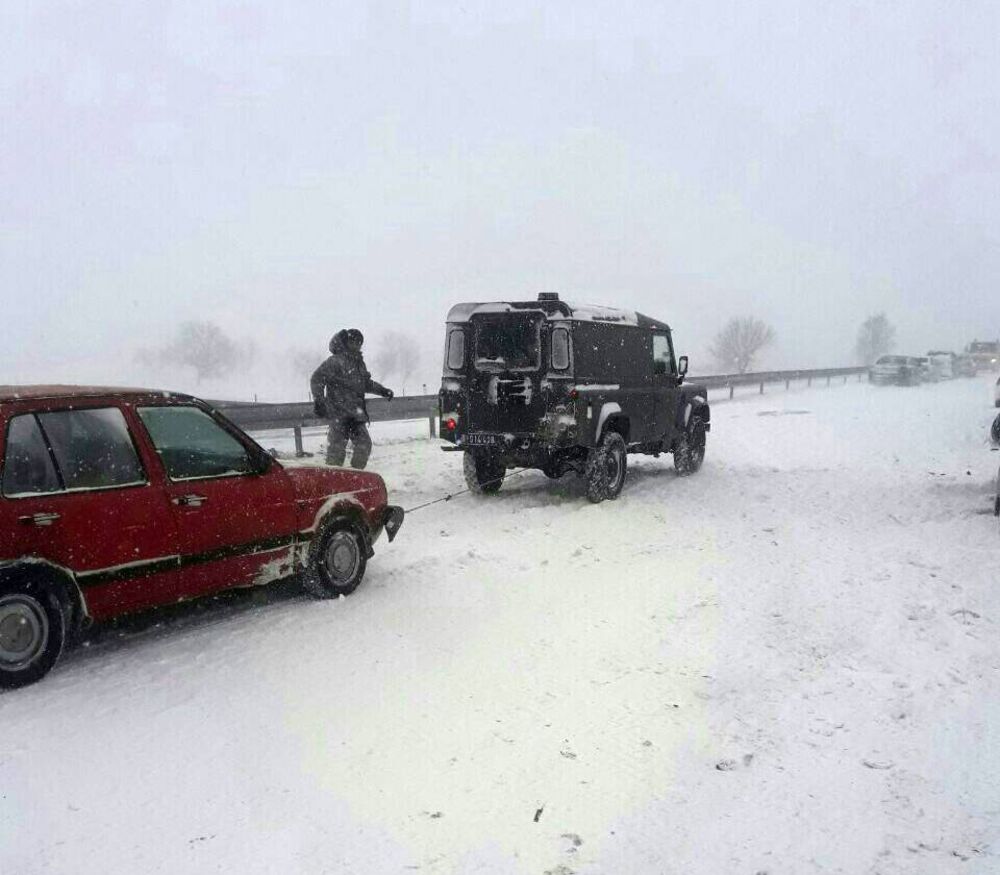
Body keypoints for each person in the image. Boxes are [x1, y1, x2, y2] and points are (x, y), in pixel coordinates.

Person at [310, 329, 394, 468]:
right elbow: (317, 378)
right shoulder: (335, 361)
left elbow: (366, 384)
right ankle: (333, 478)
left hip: (356, 416)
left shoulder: (359, 363)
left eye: (359, 342)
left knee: (364, 445)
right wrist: (319, 400)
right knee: (336, 452)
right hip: (338, 414)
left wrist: (383, 391)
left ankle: (356, 474)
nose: (357, 345)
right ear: (347, 341)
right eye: (354, 341)